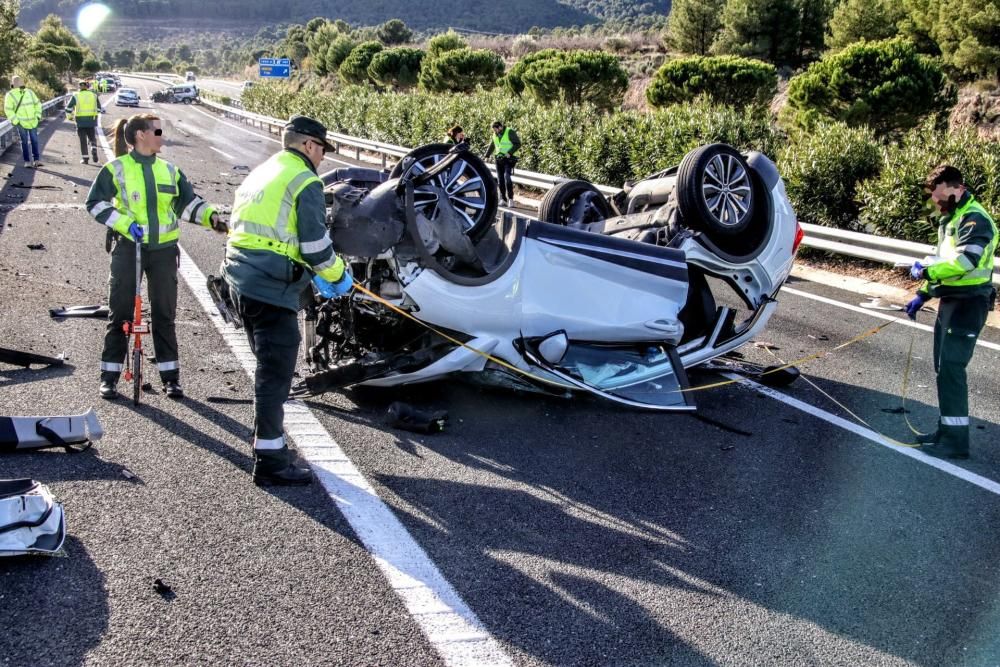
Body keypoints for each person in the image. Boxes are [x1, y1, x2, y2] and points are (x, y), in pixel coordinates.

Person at [222, 114, 352, 486]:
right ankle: (271, 461)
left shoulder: (264, 171)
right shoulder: (305, 180)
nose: (323, 157)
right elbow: (315, 247)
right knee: (274, 375)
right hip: (268, 287)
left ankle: (269, 447)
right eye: (322, 149)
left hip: (240, 278)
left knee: (268, 368)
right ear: (309, 145)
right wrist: (338, 277)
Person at [86, 113, 226, 400]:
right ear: (141, 135)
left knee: (165, 315)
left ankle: (171, 379)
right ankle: (109, 378)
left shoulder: (170, 171)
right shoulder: (116, 169)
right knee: (120, 314)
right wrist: (124, 224)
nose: (162, 135)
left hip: (163, 252)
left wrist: (212, 218)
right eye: (157, 131)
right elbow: (94, 203)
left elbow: (188, 203)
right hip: (128, 249)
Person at [905, 164, 997, 459]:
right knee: (943, 371)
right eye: (934, 197)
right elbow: (946, 263)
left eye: (941, 196)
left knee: (953, 371)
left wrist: (926, 271)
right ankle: (946, 431)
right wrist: (923, 293)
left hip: (969, 304)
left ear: (957, 188)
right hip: (950, 302)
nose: (936, 202)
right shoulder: (952, 219)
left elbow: (965, 263)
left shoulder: (974, 219)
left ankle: (957, 443)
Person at [3, 76, 43, 168]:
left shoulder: (29, 92)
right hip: (21, 123)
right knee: (25, 142)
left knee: (34, 141)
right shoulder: (10, 95)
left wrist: (37, 116)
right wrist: (16, 121)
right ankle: (27, 161)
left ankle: (36, 160)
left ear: (12, 84)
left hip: (33, 121)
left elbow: (37, 104)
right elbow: (8, 110)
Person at [65, 80, 102, 165]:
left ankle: (85, 159)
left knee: (83, 140)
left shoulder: (76, 96)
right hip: (91, 121)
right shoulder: (94, 95)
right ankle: (93, 147)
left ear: (79, 87)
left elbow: (68, 109)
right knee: (92, 137)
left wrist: (70, 117)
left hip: (80, 122)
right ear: (87, 86)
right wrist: (94, 114)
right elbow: (99, 109)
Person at [484, 120, 521, 208]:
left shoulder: (509, 132)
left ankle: (511, 200)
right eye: (494, 130)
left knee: (506, 178)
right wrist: (487, 155)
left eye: (496, 129)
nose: (495, 132)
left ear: (500, 127)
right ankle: (503, 199)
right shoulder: (495, 134)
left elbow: (517, 144)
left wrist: (510, 153)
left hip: (509, 159)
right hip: (498, 159)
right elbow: (492, 144)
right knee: (500, 180)